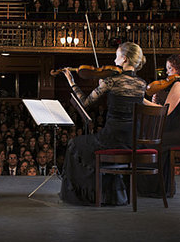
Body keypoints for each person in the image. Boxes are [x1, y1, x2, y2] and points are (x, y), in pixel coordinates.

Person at [60, 42, 154, 205]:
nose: (114, 59)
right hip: (132, 141)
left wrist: (72, 82)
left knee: (74, 144)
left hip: (111, 139)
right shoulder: (142, 84)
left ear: (124, 58)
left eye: (117, 55)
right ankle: (112, 195)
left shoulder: (111, 81)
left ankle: (87, 195)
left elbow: (85, 103)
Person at [138, 54, 180, 196]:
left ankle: (156, 189)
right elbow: (167, 109)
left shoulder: (179, 85)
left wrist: (140, 100)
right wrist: (154, 103)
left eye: (170, 68)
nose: (167, 72)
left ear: (179, 69)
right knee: (155, 141)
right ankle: (164, 187)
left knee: (150, 143)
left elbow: (164, 112)